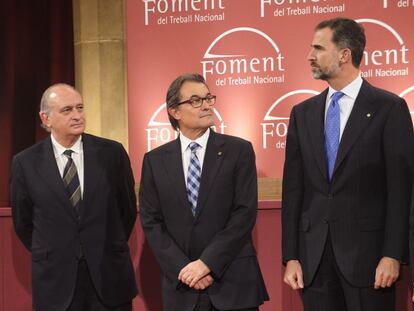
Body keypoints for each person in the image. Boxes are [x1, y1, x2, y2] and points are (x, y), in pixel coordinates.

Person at [282, 17, 414, 311]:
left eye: (318, 48)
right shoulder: (302, 113)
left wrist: (392, 253)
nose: (309, 56)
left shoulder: (388, 108)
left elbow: (401, 189)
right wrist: (291, 255)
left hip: (369, 261)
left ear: (344, 54)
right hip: (314, 261)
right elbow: (293, 191)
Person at [139, 73, 269, 311]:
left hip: (232, 281)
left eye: (208, 98)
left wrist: (207, 263)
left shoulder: (238, 150)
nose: (207, 105)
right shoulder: (154, 160)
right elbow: (151, 222)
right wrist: (186, 269)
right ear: (174, 111)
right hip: (183, 285)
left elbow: (244, 214)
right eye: (196, 100)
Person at [10, 83, 138, 311]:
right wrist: (57, 249)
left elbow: (126, 211)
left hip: (109, 277)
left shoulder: (112, 153)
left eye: (80, 108)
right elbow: (24, 223)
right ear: (46, 118)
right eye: (67, 110)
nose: (78, 115)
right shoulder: (25, 163)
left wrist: (105, 244)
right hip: (56, 283)